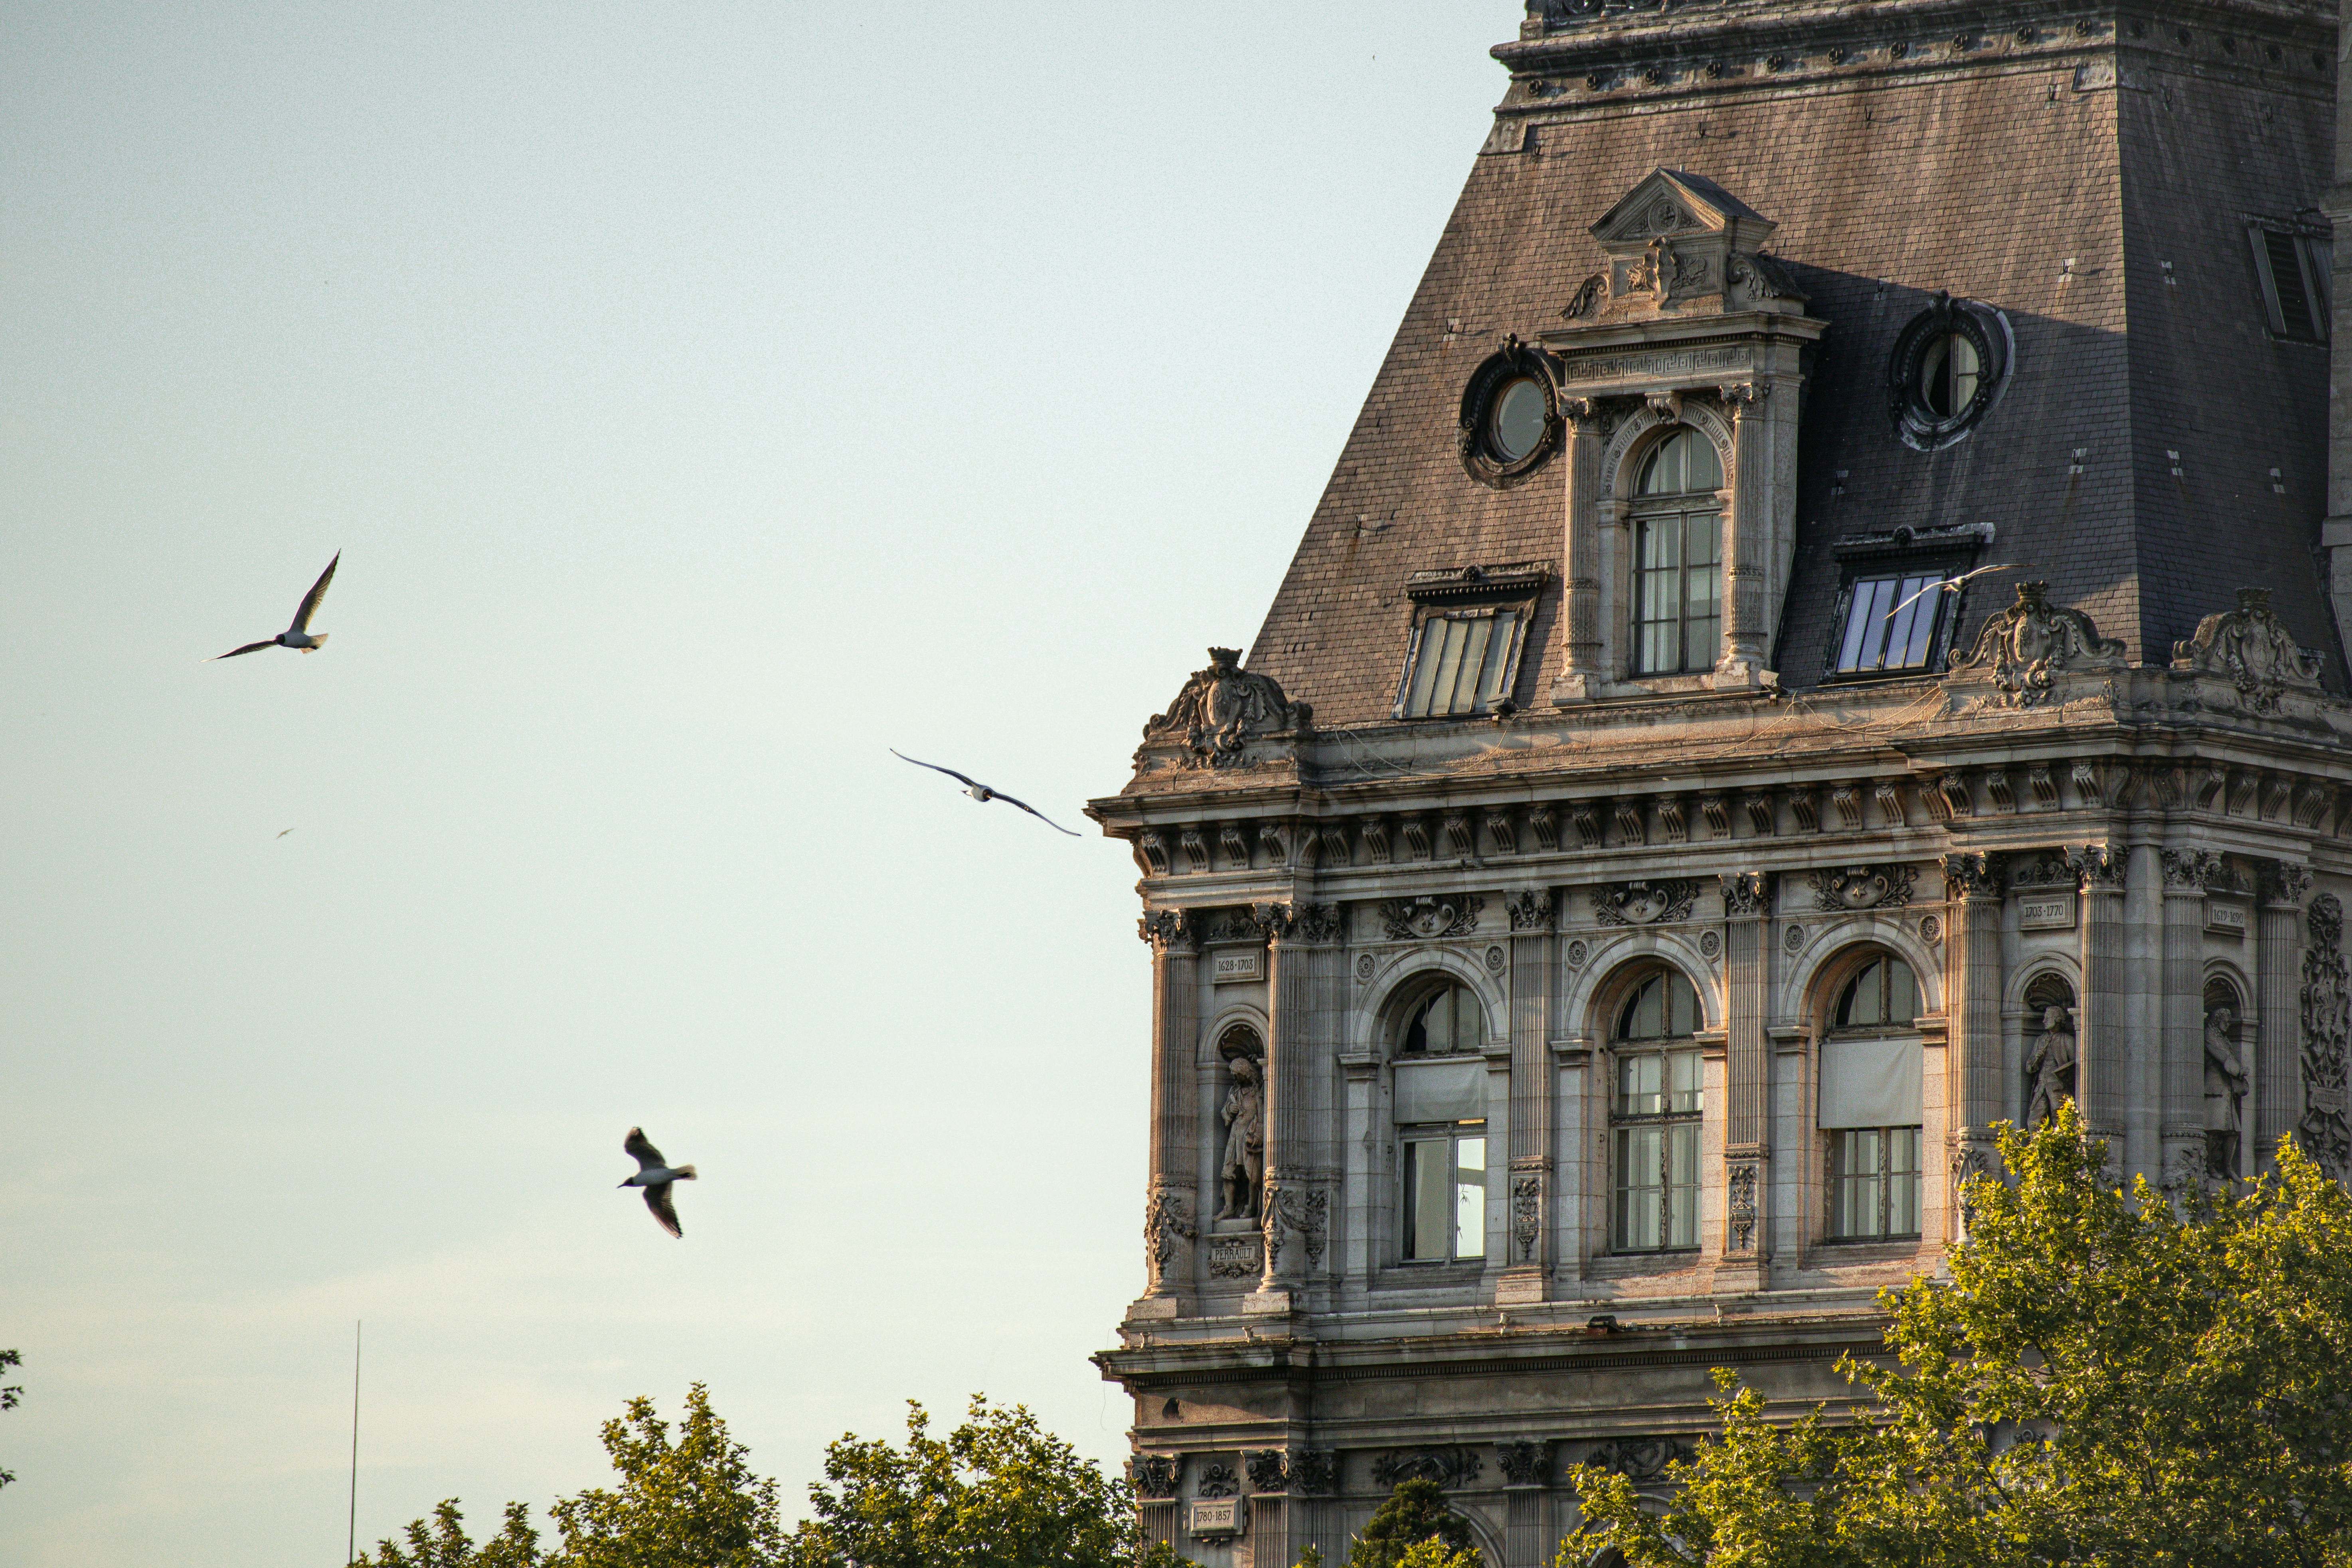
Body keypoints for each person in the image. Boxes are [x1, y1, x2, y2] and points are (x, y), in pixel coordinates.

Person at [1216, 1055, 1265, 1222]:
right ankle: (1229, 1208)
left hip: (1248, 1136)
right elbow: (1224, 1112)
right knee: (1228, 1171)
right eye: (1234, 1075)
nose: (1236, 1078)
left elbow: (1263, 1115)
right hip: (1235, 1135)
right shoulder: (1234, 1092)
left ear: (1246, 1072)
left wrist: (1258, 1133)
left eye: (1238, 1074)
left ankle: (1251, 1208)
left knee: (1250, 1172)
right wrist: (1230, 1109)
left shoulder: (1256, 1091)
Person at [2204, 1004, 2249, 1176]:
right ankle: (2210, 1165)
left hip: (2226, 1089)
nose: (2228, 1025)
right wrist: (2240, 1071)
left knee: (2233, 1131)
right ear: (2218, 1020)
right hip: (2214, 1087)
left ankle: (2228, 1167)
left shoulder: (2223, 1039)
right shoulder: (2210, 1036)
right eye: (2225, 1021)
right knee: (2213, 1128)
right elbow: (2224, 1058)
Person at [2025, 1003, 2076, 1128]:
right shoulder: (2041, 1040)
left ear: (2058, 1020)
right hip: (2041, 1087)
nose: (2044, 1021)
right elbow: (2029, 1068)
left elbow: (2075, 1065)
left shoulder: (2067, 1040)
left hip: (2059, 1086)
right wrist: (2037, 1059)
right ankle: (2037, 1146)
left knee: (2061, 1120)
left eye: (2048, 1018)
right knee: (2033, 1122)